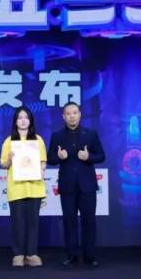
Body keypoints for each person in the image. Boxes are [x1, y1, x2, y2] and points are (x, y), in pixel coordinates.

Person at [47, 101, 106, 267]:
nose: (72, 116)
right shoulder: (57, 136)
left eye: (74, 113)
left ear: (80, 114)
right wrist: (59, 157)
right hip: (67, 186)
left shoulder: (91, 134)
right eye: (68, 113)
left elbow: (101, 156)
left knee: (89, 221)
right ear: (63, 116)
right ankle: (71, 255)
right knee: (69, 221)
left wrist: (89, 157)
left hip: (87, 186)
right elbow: (50, 159)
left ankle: (89, 255)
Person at [0, 107, 47, 267]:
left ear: (30, 120)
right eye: (19, 117)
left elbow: (43, 162)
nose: (23, 120)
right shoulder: (9, 141)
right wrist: (9, 159)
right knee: (18, 222)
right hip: (16, 187)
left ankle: (32, 254)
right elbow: (4, 165)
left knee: (33, 223)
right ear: (15, 121)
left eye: (26, 117)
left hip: (34, 187)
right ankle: (18, 254)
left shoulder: (38, 140)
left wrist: (41, 171)